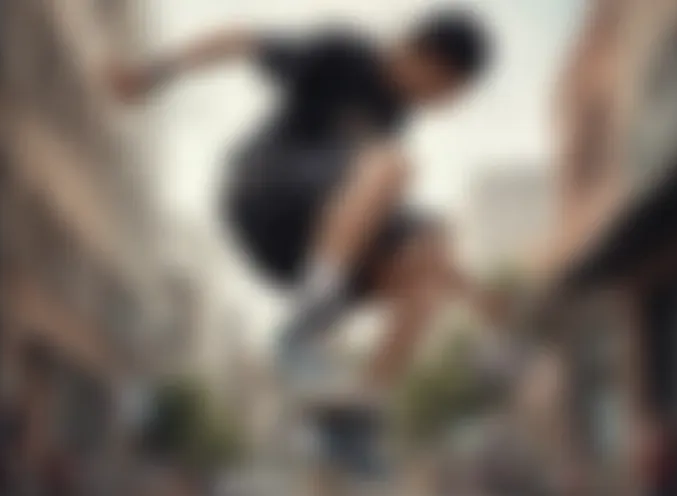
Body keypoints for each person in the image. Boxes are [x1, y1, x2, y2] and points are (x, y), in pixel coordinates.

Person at [108, 8, 496, 401]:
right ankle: (309, 325)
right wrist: (152, 74)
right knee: (392, 165)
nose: (441, 105)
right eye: (445, 91)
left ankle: (359, 405)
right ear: (425, 58)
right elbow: (242, 40)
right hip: (263, 190)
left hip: (306, 238)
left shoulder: (397, 114)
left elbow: (383, 213)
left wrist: (477, 297)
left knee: (432, 248)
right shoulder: (343, 55)